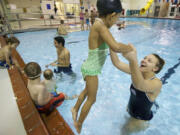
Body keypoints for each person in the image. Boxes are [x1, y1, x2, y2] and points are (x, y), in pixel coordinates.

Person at [71, 0, 133, 133]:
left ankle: (75, 109)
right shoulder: (100, 27)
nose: (117, 21)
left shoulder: (99, 24)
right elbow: (116, 47)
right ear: (111, 15)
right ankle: (79, 124)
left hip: (89, 66)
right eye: (117, 18)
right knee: (92, 99)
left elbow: (113, 44)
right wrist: (130, 48)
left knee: (86, 91)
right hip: (91, 69)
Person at [110, 46, 165, 135]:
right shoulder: (138, 72)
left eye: (149, 60)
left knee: (123, 131)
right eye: (145, 58)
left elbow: (140, 85)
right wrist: (110, 45)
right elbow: (117, 63)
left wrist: (133, 60)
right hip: (132, 112)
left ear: (155, 69)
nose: (144, 60)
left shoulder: (157, 83)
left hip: (140, 120)